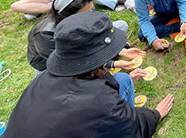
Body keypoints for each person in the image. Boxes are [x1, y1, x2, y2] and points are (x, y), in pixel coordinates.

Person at [4, 11, 174, 138]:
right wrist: (156, 115)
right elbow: (132, 127)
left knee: (122, 79)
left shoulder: (44, 77)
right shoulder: (99, 99)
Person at [27, 0, 147, 105]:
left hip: (79, 49)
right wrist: (112, 64)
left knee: (121, 25)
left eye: (91, 11)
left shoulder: (79, 20)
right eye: (85, 14)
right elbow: (76, 63)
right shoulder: (45, 35)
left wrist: (119, 50)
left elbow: (94, 36)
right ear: (67, 15)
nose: (90, 16)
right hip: (50, 67)